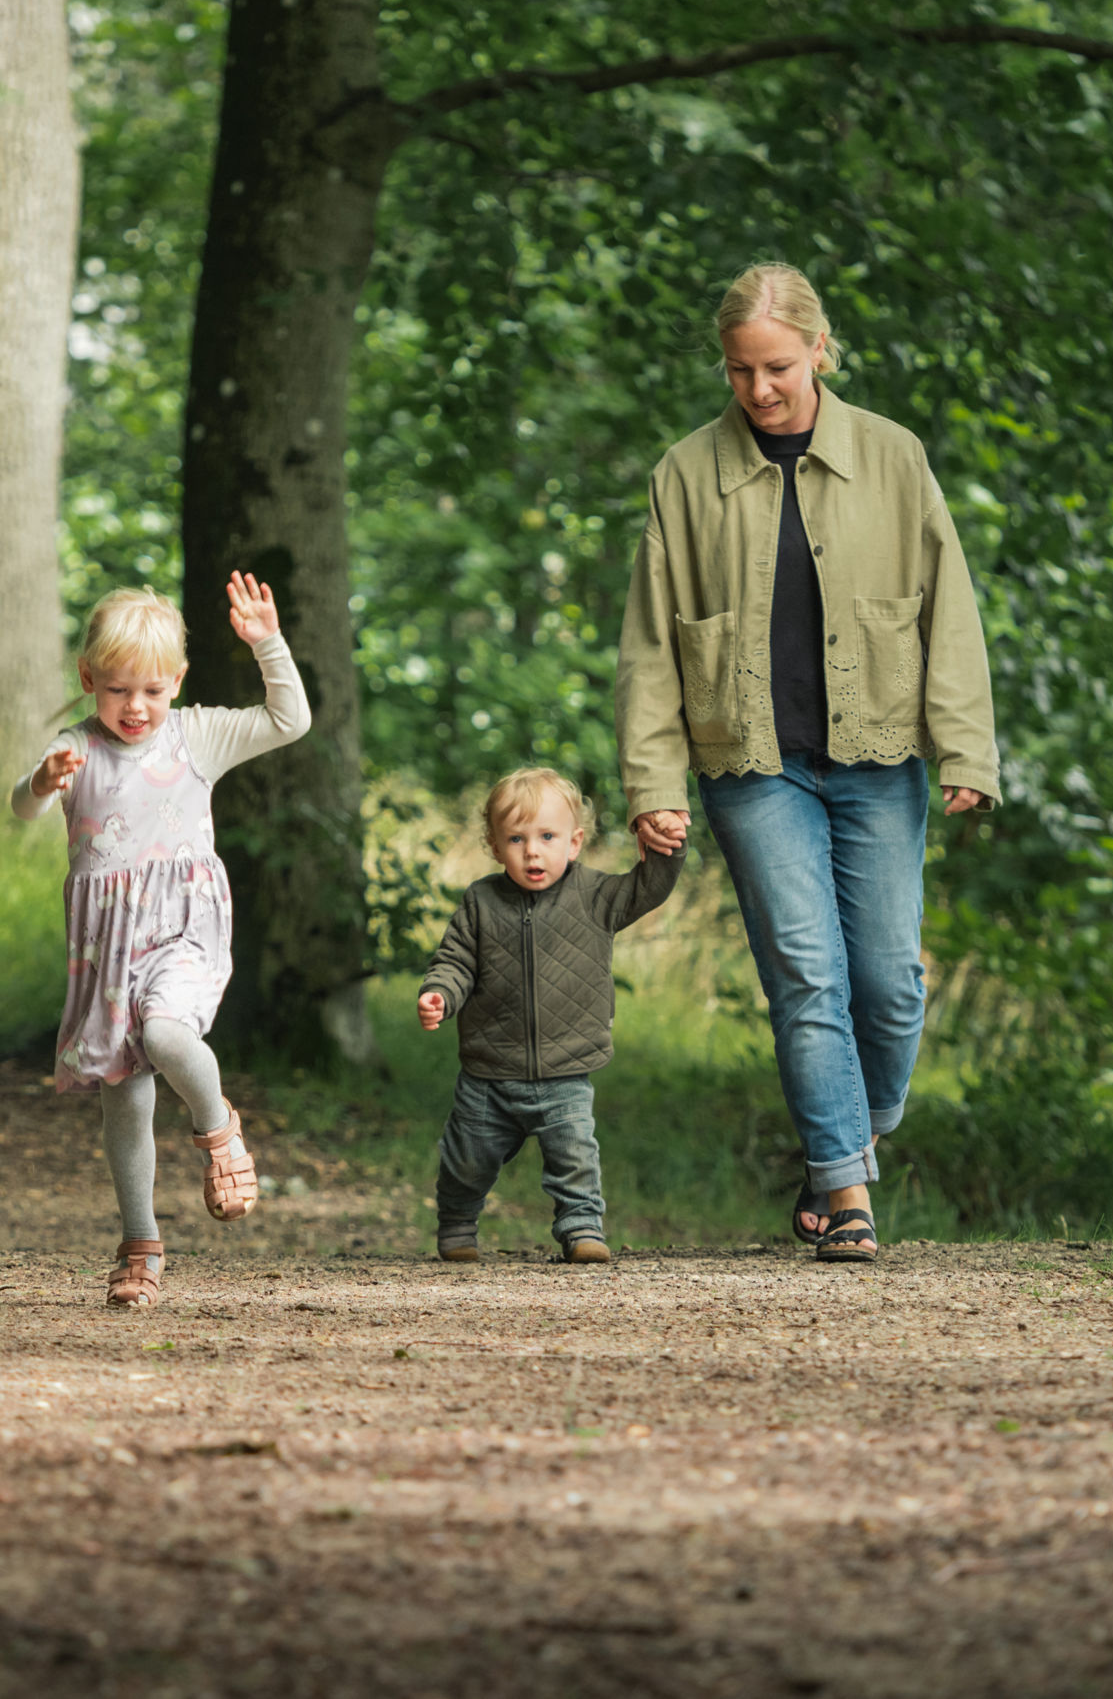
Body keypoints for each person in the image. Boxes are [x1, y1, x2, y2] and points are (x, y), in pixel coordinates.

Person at [616, 262, 997, 1264]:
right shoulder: (684, 473)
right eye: (740, 372)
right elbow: (651, 642)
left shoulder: (892, 458)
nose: (759, 391)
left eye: (777, 367)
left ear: (818, 350)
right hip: (749, 763)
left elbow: (947, 609)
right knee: (805, 974)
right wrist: (652, 784)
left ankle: (848, 1139)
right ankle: (842, 1189)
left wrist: (965, 747)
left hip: (878, 754)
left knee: (889, 986)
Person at [12, 575, 308, 1309]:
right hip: (107, 947)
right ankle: (140, 1245)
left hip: (183, 931)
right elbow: (21, 805)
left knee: (169, 1035)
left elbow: (290, 720)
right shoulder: (75, 747)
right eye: (117, 691)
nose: (135, 708)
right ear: (89, 681)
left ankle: (219, 1130)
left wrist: (266, 642)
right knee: (126, 1098)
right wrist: (43, 782)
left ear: (176, 680)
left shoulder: (195, 734)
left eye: (151, 689)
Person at [415, 767, 682, 1265]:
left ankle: (581, 1228)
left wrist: (668, 847)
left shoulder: (595, 896)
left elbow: (648, 888)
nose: (532, 851)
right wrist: (439, 995)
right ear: (495, 846)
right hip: (489, 1072)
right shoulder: (481, 901)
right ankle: (457, 1225)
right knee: (466, 1160)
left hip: (566, 1068)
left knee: (574, 1156)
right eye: (516, 838)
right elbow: (454, 962)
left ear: (575, 842)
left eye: (547, 837)